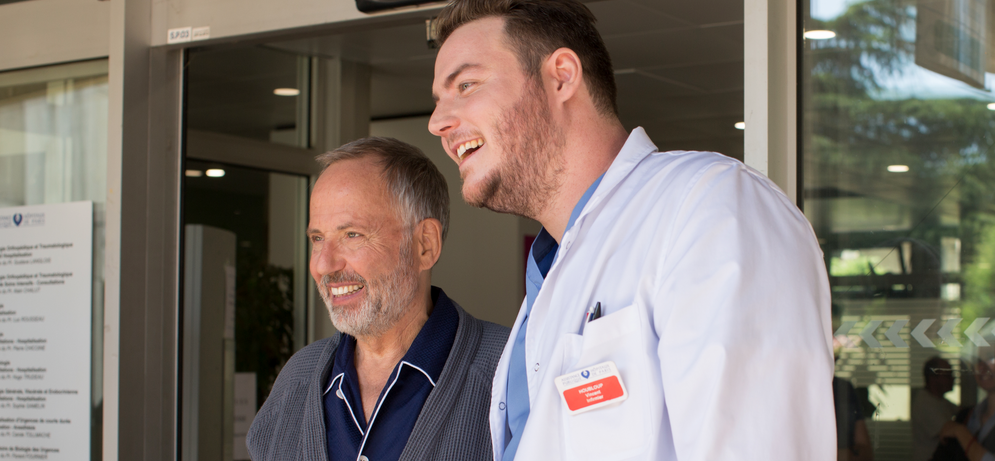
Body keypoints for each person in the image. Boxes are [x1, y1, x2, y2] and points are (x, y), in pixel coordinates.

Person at [428, 0, 835, 459]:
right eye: (438, 101)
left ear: (561, 75)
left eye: (466, 85)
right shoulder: (549, 276)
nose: (438, 123)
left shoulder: (711, 205)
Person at [246, 137, 510, 461]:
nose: (323, 265)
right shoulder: (297, 381)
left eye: (352, 235)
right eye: (317, 238)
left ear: (424, 245)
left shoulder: (512, 370)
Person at [940, 350, 995, 461]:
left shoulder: (960, 428)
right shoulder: (965, 417)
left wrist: (961, 433)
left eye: (991, 358)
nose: (982, 367)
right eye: (977, 361)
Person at [913, 356, 958, 461]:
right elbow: (950, 435)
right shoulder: (925, 403)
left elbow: (963, 411)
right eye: (947, 375)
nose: (953, 378)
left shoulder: (939, 400)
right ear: (933, 378)